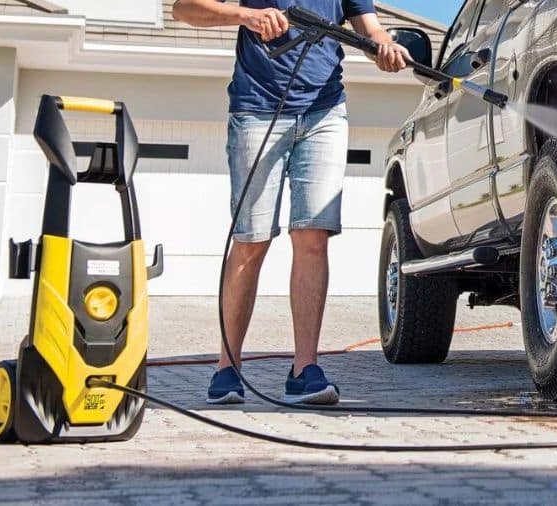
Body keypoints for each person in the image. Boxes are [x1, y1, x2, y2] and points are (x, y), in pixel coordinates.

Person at [173, 0, 410, 405]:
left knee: (313, 237)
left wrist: (385, 46)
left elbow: (370, 29)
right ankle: (227, 367)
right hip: (257, 109)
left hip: (324, 111)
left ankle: (305, 371)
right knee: (251, 240)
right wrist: (246, 16)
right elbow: (183, 8)